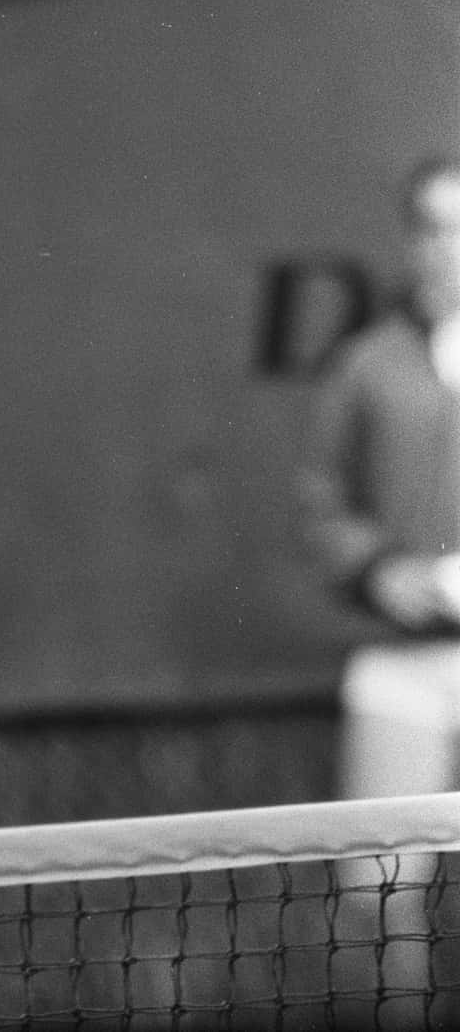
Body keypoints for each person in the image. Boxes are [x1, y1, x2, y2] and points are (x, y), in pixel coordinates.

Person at [295, 154, 460, 1002]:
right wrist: (378, 570)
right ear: (410, 241)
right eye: (432, 227)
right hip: (399, 663)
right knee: (380, 891)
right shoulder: (366, 365)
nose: (448, 247)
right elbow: (321, 500)